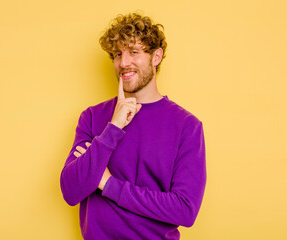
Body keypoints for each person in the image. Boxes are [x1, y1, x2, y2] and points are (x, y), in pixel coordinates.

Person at [60, 13, 206, 240]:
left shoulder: (187, 126)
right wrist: (113, 128)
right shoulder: (93, 117)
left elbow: (185, 210)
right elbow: (71, 191)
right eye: (118, 54)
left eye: (134, 52)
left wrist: (108, 183)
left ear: (156, 56)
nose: (123, 62)